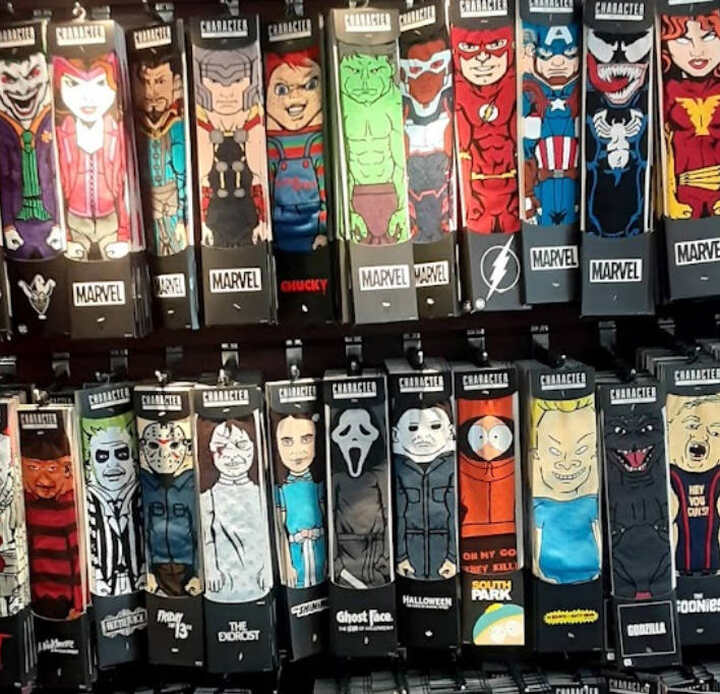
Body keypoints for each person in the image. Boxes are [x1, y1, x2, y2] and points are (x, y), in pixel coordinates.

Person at [53, 54, 130, 261]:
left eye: (100, 84)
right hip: (75, 222)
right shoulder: (61, 135)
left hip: (110, 221)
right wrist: (66, 235)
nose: (88, 98)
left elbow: (124, 188)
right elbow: (56, 188)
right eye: (74, 85)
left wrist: (124, 233)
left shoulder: (117, 134)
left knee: (115, 269)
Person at [197, 417, 272, 602]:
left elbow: (267, 531)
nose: (231, 455)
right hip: (223, 577)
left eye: (241, 445)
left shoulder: (260, 493)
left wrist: (267, 568)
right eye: (221, 447)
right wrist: (211, 569)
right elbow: (207, 536)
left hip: (257, 576)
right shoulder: (209, 496)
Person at [530, 396, 600, 584]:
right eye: (554, 452)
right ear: (537, 456)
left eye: (581, 450)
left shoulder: (589, 503)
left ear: (593, 455)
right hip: (549, 566)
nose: (567, 464)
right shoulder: (540, 506)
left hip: (583, 503)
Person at [82, 412, 144, 596]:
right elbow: (92, 539)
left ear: (133, 459)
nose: (112, 465)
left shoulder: (140, 493)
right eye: (102, 457)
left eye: (121, 454)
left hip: (139, 580)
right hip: (104, 582)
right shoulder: (91, 499)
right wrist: (98, 578)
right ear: (90, 463)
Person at [139, 420, 200, 597]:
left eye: (173, 445)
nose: (164, 454)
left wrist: (197, 572)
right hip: (157, 566)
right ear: (143, 447)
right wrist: (148, 570)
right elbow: (143, 531)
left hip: (187, 565)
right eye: (154, 446)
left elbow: (198, 531)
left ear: (188, 447)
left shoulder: (190, 486)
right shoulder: (145, 484)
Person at [273, 413, 326, 588]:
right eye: (287, 441)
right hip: (295, 551)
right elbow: (280, 530)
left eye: (306, 439)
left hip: (320, 548)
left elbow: (327, 519)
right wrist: (287, 565)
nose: (297, 451)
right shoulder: (281, 490)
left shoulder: (318, 486)